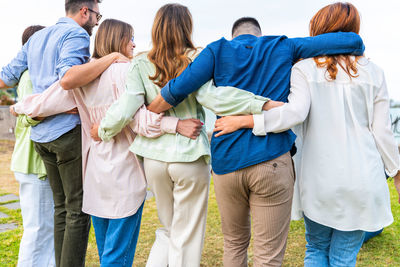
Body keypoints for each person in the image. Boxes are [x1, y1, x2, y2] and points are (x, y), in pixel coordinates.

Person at [147, 16, 365, 267]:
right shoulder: (283, 46)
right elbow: (353, 41)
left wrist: (148, 112)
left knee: (234, 244)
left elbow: (178, 88)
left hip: (227, 163)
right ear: (259, 34)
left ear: (234, 34)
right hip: (271, 160)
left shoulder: (216, 50)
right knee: (268, 257)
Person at [212, 3, 400, 266]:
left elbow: (293, 114)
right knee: (344, 257)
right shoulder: (374, 72)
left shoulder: (304, 69)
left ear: (319, 29)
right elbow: (383, 132)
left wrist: (247, 120)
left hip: (318, 178)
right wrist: (396, 171)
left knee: (315, 249)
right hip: (363, 179)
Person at [11, 18, 207, 266]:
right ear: (120, 40)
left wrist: (19, 107)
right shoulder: (127, 71)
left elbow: (46, 100)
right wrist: (176, 125)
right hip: (125, 175)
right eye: (131, 38)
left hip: (94, 174)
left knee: (107, 253)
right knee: (117, 257)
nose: (135, 45)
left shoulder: (84, 74)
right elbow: (137, 120)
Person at [91, 4, 275, 267]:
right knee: (187, 236)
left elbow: (127, 107)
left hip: (153, 159)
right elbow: (213, 97)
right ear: (187, 27)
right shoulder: (197, 58)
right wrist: (261, 104)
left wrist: (103, 130)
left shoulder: (140, 62)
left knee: (168, 230)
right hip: (189, 156)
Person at [0, 1, 128, 266]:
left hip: (41, 138)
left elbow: (5, 78)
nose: (96, 22)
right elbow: (68, 78)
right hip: (66, 135)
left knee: (61, 209)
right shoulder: (76, 34)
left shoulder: (36, 38)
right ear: (84, 11)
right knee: (77, 212)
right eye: (96, 15)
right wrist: (111, 57)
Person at [9, 25, 55, 267]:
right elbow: (36, 112)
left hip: (32, 162)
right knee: (38, 229)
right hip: (33, 164)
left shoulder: (31, 75)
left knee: (43, 229)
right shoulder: (30, 76)